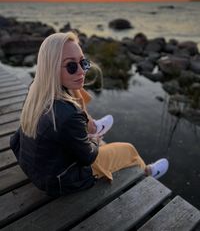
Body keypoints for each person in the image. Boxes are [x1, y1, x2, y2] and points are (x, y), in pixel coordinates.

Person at [10, 32, 169, 197]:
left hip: (33, 165)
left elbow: (16, 138)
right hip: (60, 179)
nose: (81, 71)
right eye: (71, 66)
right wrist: (92, 141)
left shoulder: (35, 90)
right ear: (51, 67)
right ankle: (147, 171)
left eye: (83, 63)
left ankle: (91, 126)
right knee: (128, 150)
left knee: (76, 87)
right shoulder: (67, 115)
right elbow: (88, 157)